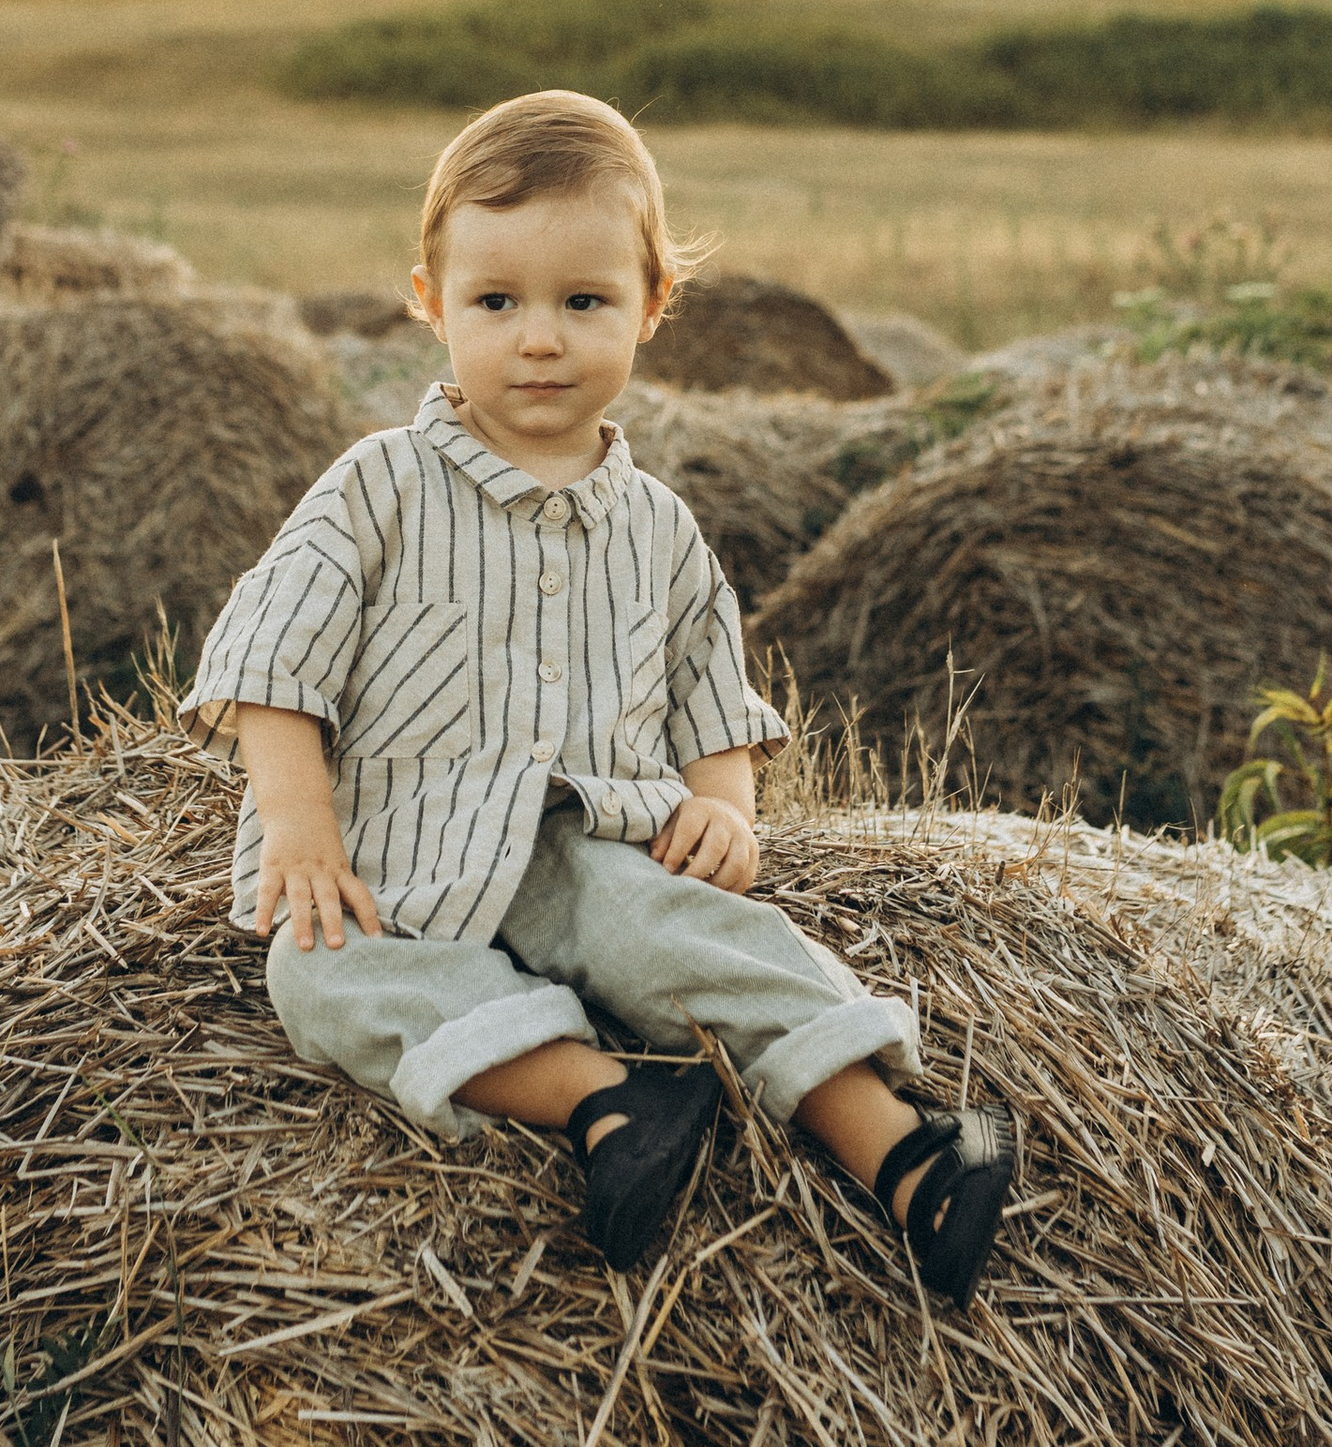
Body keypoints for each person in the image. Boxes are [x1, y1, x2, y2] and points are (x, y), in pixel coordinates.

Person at [182, 88, 1014, 1307]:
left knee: (680, 939)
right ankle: (606, 1100)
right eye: (495, 302)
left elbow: (707, 694)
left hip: (583, 846)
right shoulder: (380, 485)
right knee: (321, 980)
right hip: (392, 854)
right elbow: (270, 661)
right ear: (430, 303)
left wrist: (726, 805)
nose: (539, 339)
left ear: (651, 308)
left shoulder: (661, 528)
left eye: (584, 302)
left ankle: (899, 1148)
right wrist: (300, 826)